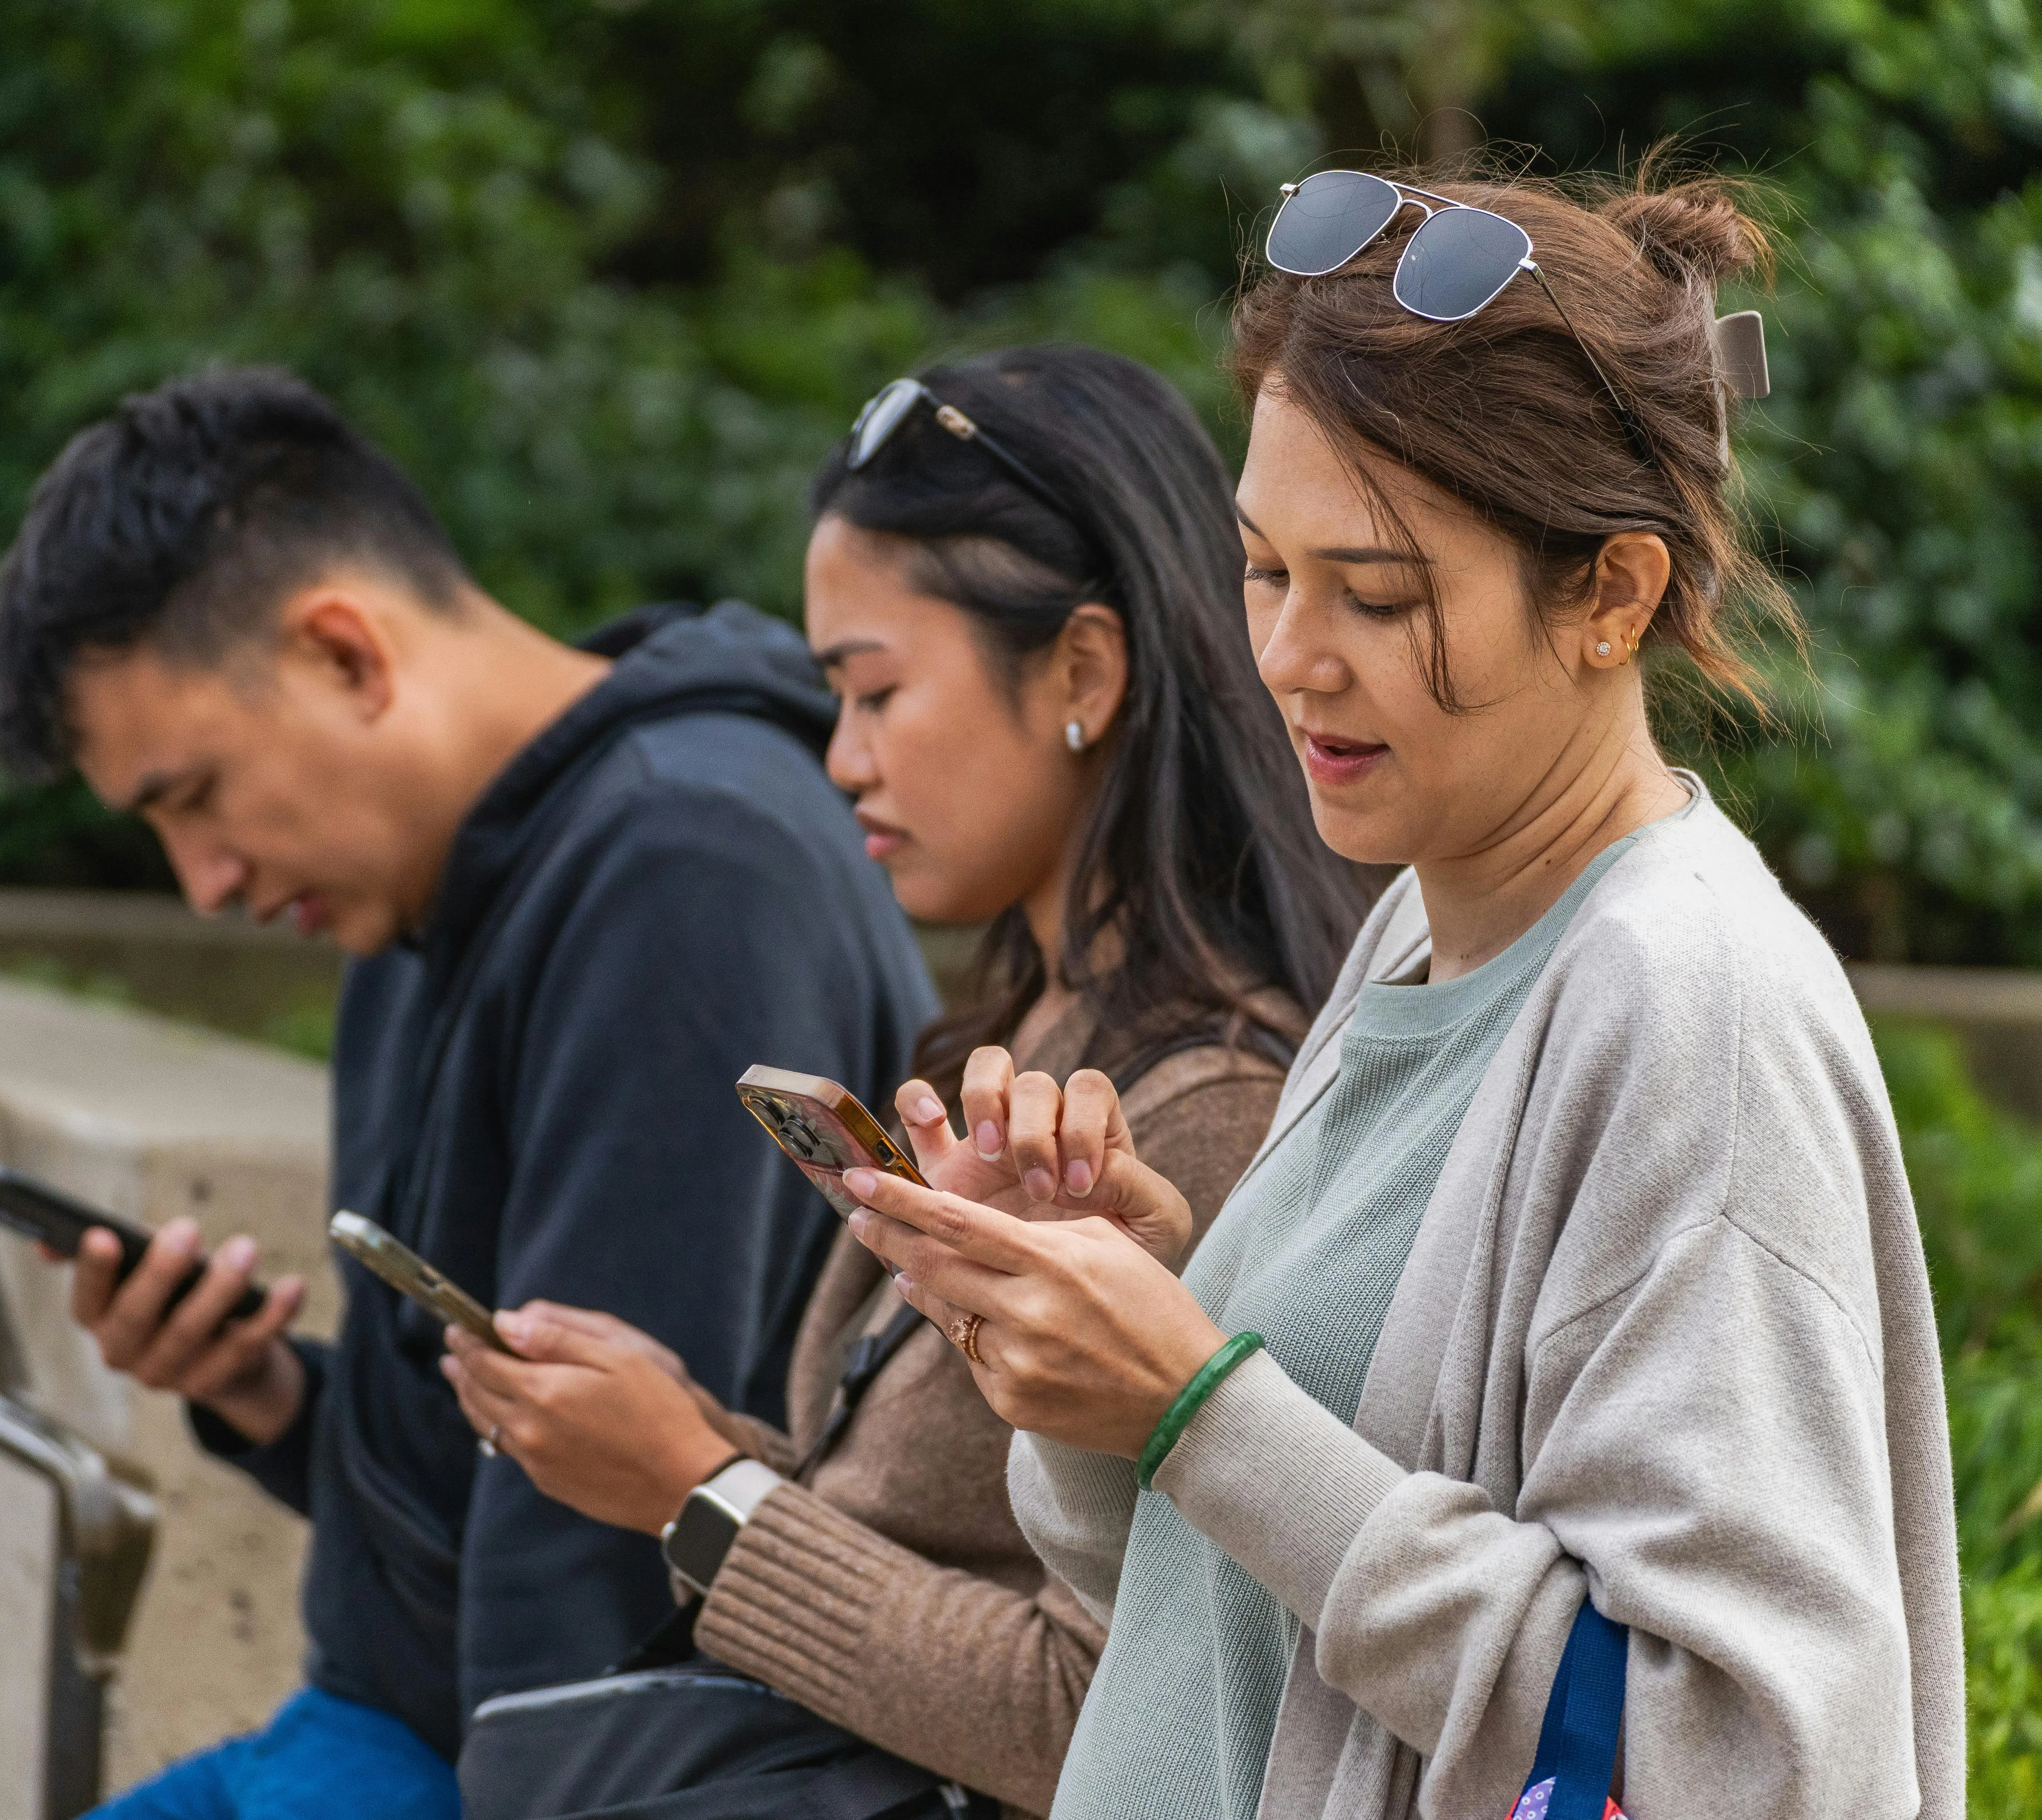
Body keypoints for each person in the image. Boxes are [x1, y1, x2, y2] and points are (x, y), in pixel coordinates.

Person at [845, 171, 1964, 1819]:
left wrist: (1201, 1404)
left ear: (1612, 596)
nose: (1289, 654)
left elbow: (1740, 1759)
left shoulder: (1687, 1015)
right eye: (1260, 570)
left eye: (1374, 595)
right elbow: (1207, 1598)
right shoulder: (1418, 928)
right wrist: (1099, 1350)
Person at [0, 368, 939, 1817]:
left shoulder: (687, 871)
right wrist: (269, 1393)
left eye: (194, 796)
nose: (206, 884)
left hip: (576, 1770)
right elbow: (496, 1443)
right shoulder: (416, 889)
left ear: (346, 654)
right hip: (380, 1725)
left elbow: (609, 1534)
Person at [440, 345, 1383, 1816]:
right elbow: (926, 1536)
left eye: (875, 693)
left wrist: (697, 1494)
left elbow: (1111, 1709)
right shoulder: (1012, 1034)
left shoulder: (1200, 1108)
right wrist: (680, 1443)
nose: (839, 761)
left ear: (1081, 668)